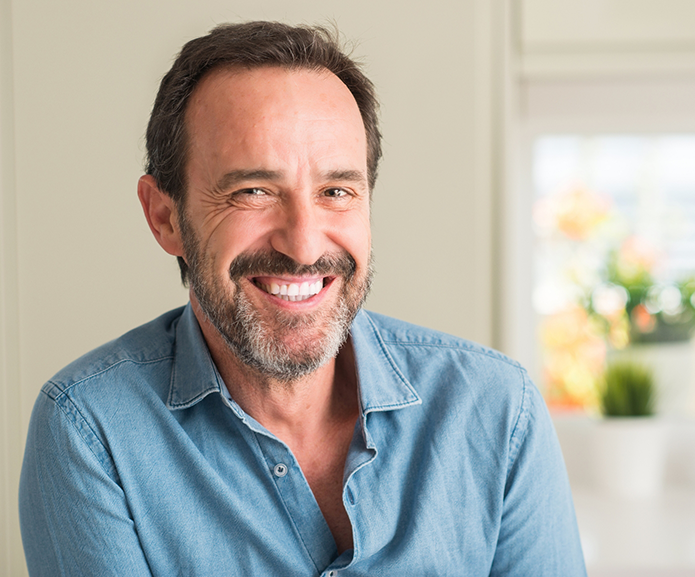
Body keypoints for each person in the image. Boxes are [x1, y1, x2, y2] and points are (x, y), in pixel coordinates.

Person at [19, 21, 586, 576]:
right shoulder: (91, 432)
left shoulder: (497, 410)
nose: (304, 244)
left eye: (336, 191)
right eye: (254, 192)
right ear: (165, 217)